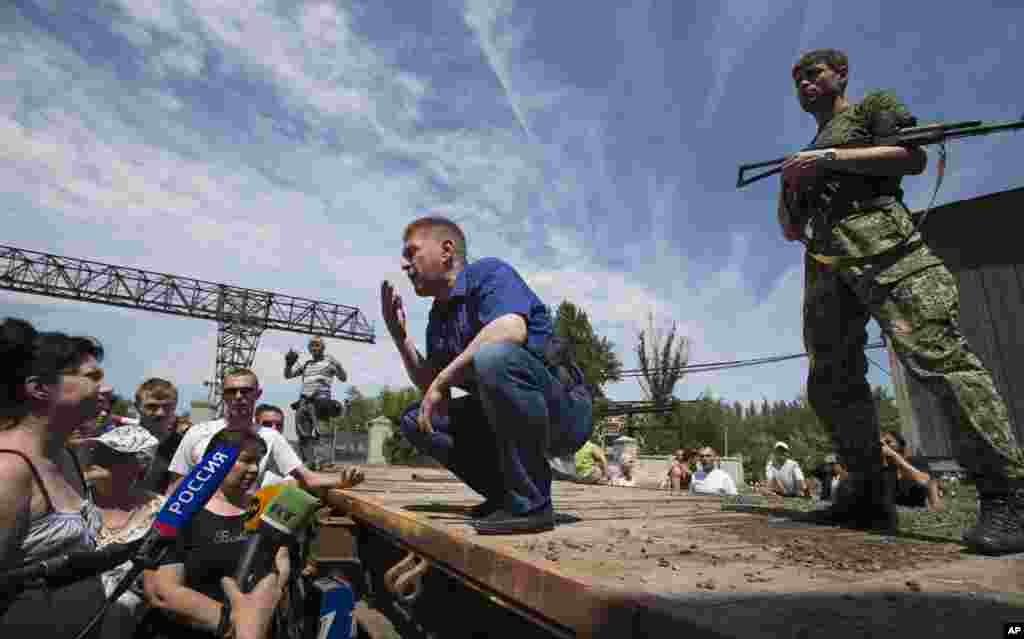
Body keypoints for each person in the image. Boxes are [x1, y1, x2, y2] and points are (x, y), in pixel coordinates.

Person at [779, 48, 1024, 552]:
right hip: (827, 264)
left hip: (887, 247)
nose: (804, 82)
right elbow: (788, 228)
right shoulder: (807, 152)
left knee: (938, 359)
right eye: (797, 78)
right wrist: (789, 184)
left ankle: (1009, 496)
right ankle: (867, 492)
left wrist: (828, 158)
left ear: (840, 75)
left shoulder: (871, 110)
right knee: (831, 379)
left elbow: (911, 159)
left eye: (814, 73)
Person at [381, 216, 593, 534]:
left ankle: (532, 504)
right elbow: (433, 397)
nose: (404, 265)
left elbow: (510, 329)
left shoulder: (490, 274)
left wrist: (442, 381)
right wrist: (401, 338)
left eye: (412, 252)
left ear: (446, 250)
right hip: (505, 419)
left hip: (564, 413)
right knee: (417, 419)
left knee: (495, 356)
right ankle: (506, 495)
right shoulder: (437, 319)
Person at [0, 318, 106, 638]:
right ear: (40, 388)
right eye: (92, 377)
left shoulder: (69, 456)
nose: (105, 387)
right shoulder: (9, 470)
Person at [141, 429, 278, 639]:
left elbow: (275, 573)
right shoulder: (183, 510)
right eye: (246, 460)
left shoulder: (263, 510)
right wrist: (230, 621)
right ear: (216, 461)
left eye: (257, 461)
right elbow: (163, 591)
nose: (254, 469)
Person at [167, 368, 364, 501]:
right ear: (223, 394)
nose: (238, 397)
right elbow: (176, 486)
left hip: (241, 526)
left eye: (245, 391)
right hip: (195, 527)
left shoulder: (270, 437)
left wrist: (343, 479)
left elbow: (308, 478)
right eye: (231, 391)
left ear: (257, 394)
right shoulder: (198, 433)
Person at [85, 425, 165, 639]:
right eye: (96, 450)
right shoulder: (73, 500)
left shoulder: (161, 509)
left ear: (140, 465)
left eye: (112, 454)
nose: (96, 457)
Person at [284, 337, 347, 470]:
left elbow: (343, 378)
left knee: (323, 432)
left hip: (321, 400)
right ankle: (309, 462)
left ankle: (325, 463)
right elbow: (288, 375)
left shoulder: (329, 363)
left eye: (317, 345)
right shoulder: (307, 364)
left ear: (323, 347)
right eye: (311, 345)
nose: (314, 347)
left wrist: (338, 365)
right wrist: (289, 363)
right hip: (303, 401)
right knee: (303, 433)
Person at [881, 430, 944, 511]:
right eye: (883, 444)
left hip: (920, 509)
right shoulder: (886, 468)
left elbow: (927, 480)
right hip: (900, 510)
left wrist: (895, 457)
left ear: (900, 444)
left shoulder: (915, 461)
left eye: (888, 442)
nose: (885, 446)